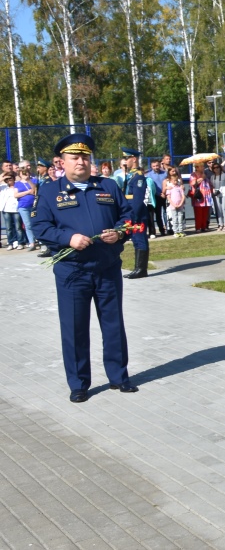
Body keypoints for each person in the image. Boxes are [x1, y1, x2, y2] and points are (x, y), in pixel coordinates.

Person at [31, 134, 139, 403]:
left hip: (107, 267)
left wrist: (119, 233)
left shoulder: (107, 186)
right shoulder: (48, 191)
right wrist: (68, 239)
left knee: (113, 324)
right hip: (73, 271)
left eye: (85, 157)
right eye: (74, 157)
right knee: (75, 327)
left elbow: (127, 217)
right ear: (61, 162)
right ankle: (79, 383)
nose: (81, 161)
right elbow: (40, 227)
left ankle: (119, 377)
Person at [120, 149, 150, 279]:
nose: (125, 161)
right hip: (130, 211)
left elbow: (138, 199)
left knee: (140, 240)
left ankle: (141, 269)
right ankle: (138, 268)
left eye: (127, 159)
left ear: (134, 159)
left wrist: (133, 216)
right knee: (135, 240)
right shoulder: (130, 175)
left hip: (136, 213)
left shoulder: (138, 176)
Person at [15, 167, 38, 249]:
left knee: (36, 223)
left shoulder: (33, 180)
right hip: (23, 206)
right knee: (28, 225)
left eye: (26, 172)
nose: (24, 174)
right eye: (22, 173)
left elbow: (35, 191)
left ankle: (39, 240)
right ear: (19, 174)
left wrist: (28, 180)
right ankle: (32, 242)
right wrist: (28, 192)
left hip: (33, 205)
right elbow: (16, 195)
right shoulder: (17, 183)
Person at [145, 159, 168, 236]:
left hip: (165, 195)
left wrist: (164, 193)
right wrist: (159, 193)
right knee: (158, 214)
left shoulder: (165, 174)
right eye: (154, 166)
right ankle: (159, 230)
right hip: (155, 196)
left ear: (159, 165)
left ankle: (168, 229)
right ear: (151, 167)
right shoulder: (149, 175)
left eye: (157, 165)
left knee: (167, 213)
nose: (156, 167)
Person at [163, 168, 187, 237]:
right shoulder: (167, 183)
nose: (174, 172)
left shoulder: (179, 184)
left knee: (180, 218)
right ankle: (174, 231)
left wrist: (181, 203)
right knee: (173, 218)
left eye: (175, 171)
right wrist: (166, 188)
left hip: (180, 203)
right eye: (172, 171)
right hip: (172, 204)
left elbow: (183, 194)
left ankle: (181, 231)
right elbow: (166, 194)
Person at [209, 161, 225, 231]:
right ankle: (220, 224)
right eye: (214, 168)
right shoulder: (212, 177)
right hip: (217, 193)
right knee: (218, 209)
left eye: (217, 167)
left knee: (224, 208)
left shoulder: (224, 175)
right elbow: (212, 185)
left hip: (224, 192)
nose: (216, 169)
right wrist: (214, 191)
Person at [1, 173, 20, 248]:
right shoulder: (3, 187)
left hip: (16, 209)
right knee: (8, 228)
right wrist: (3, 177)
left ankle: (19, 241)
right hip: (6, 209)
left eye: (11, 178)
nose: (9, 180)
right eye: (8, 179)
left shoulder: (17, 186)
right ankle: (10, 242)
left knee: (18, 227)